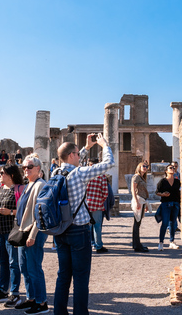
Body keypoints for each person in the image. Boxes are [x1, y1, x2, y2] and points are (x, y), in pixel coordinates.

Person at [53, 132, 113, 315]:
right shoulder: (79, 174)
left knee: (63, 276)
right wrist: (104, 146)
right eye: (78, 154)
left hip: (60, 231)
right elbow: (108, 164)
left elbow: (73, 161)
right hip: (78, 231)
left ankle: (59, 312)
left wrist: (86, 148)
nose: (80, 156)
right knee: (80, 277)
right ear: (71, 156)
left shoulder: (55, 172)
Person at [0, 164, 24, 306]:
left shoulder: (20, 189)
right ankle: (3, 290)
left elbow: (24, 209)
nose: (0, 175)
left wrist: (11, 212)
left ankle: (14, 293)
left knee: (13, 262)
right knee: (2, 261)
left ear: (11, 175)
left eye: (2, 173)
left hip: (12, 231)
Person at [14, 155, 49, 314]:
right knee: (24, 267)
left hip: (33, 232)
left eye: (29, 167)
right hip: (23, 231)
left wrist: (33, 234)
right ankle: (31, 298)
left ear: (38, 169)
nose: (25, 170)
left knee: (34, 268)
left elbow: (40, 213)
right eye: (24, 167)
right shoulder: (29, 184)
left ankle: (42, 303)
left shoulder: (41, 185)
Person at [85, 160, 109, 254]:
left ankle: (87, 245)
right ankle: (98, 245)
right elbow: (105, 192)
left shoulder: (86, 175)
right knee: (97, 226)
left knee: (87, 226)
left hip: (86, 204)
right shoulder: (101, 176)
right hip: (97, 203)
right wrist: (100, 200)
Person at [155, 163, 181, 250]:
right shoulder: (162, 181)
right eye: (170, 168)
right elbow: (157, 192)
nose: (173, 169)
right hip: (166, 204)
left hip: (175, 203)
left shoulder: (177, 181)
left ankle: (172, 242)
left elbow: (180, 192)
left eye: (173, 167)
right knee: (165, 223)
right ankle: (161, 242)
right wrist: (163, 194)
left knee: (173, 223)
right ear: (166, 171)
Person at [131, 161, 150, 253]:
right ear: (139, 167)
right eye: (143, 166)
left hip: (142, 201)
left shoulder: (142, 178)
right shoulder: (136, 177)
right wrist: (136, 201)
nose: (145, 167)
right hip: (138, 200)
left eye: (146, 166)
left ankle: (137, 244)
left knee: (138, 223)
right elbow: (133, 189)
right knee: (136, 223)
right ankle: (136, 245)